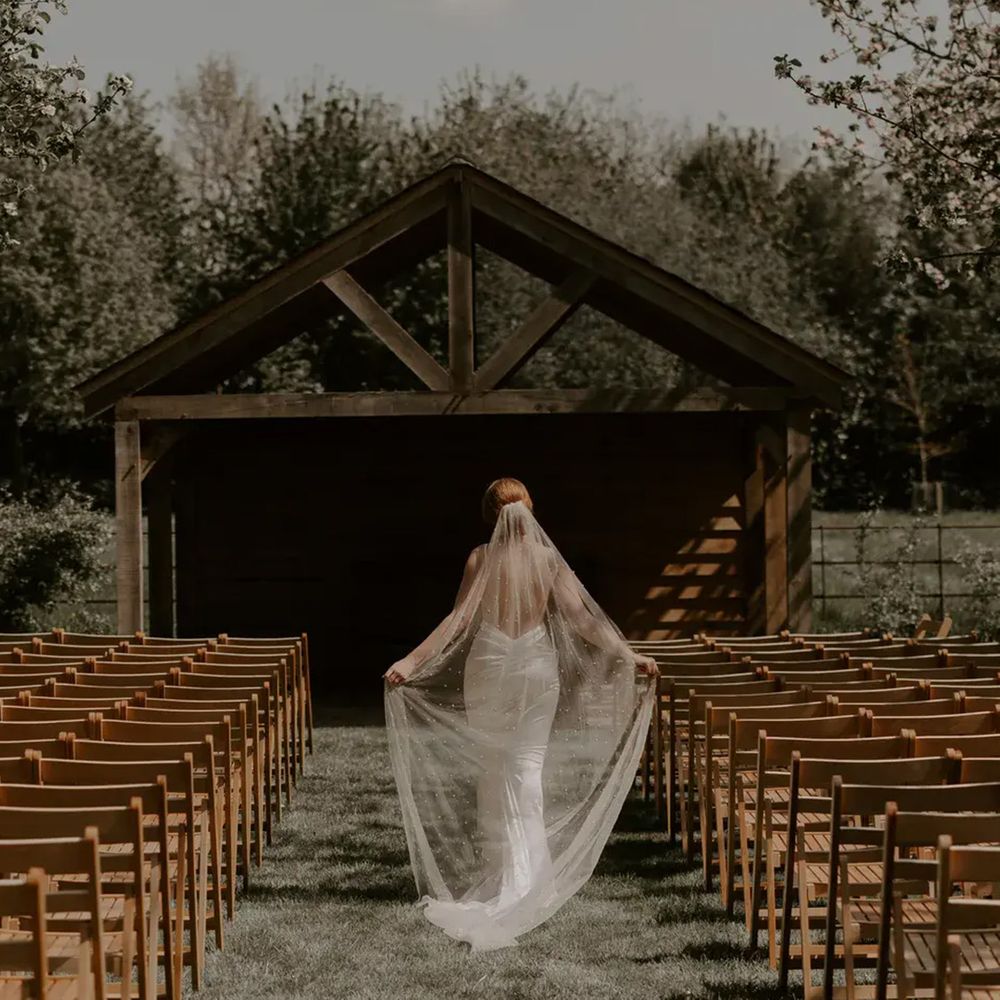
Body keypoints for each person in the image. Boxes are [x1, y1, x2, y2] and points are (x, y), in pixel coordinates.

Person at [384, 478, 657, 951]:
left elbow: (458, 621)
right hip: (534, 666)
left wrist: (412, 660)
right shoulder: (547, 560)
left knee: (495, 770)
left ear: (490, 516)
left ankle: (507, 873)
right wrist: (628, 654)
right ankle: (531, 879)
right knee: (526, 769)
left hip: (489, 665)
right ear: (529, 510)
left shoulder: (481, 558)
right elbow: (583, 620)